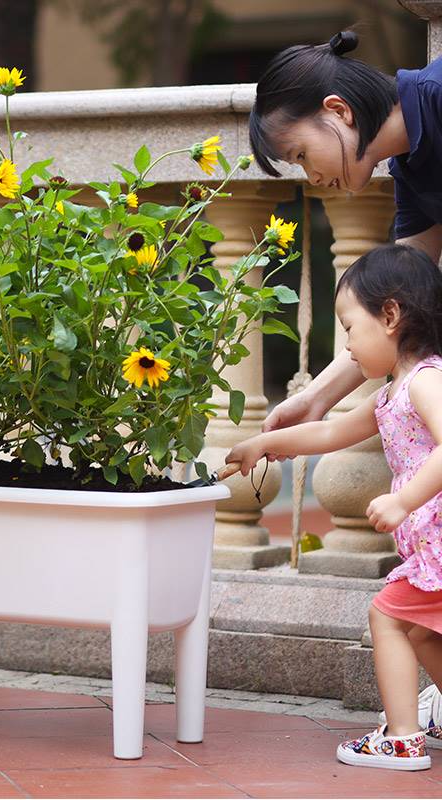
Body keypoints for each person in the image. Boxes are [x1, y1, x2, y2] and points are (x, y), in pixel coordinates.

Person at [250, 28, 442, 739]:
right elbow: (402, 312)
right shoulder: (414, 175)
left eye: (302, 154)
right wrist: (317, 397)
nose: (313, 176)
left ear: (339, 111)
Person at [223, 244, 442, 770]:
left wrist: (404, 498)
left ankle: (402, 737)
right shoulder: (392, 392)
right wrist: (263, 445)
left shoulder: (427, 381)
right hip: (431, 543)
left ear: (389, 316)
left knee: (386, 617)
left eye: (349, 328)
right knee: (419, 629)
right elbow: (330, 430)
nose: (347, 344)